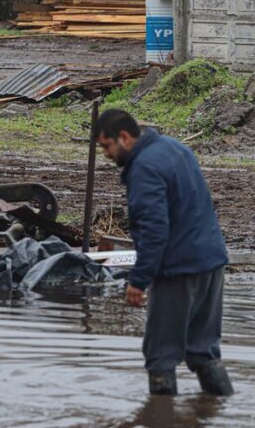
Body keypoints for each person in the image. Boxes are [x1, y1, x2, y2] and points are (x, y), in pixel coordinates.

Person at [94, 109, 234, 397]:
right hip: (211, 262)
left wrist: (139, 280)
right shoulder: (174, 147)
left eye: (106, 147)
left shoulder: (145, 167)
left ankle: (158, 416)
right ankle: (220, 407)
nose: (106, 155)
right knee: (204, 351)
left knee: (160, 354)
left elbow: (154, 231)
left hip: (179, 270)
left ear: (124, 138)